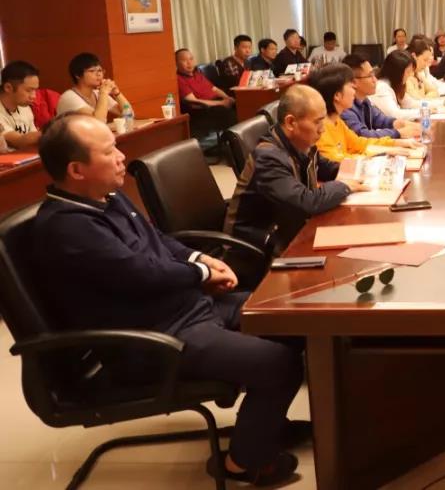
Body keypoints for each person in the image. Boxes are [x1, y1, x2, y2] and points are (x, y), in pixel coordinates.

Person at [34, 114, 305, 486]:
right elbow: (140, 274)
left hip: (183, 309)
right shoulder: (69, 227)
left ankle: (266, 426)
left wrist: (199, 258)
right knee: (278, 364)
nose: (121, 156)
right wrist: (202, 274)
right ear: (77, 170)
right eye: (109, 151)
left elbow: (159, 241)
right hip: (151, 339)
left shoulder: (104, 197)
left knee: (289, 318)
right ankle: (243, 462)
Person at [226, 84, 366, 253]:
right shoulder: (268, 157)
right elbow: (306, 202)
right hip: (256, 248)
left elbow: (327, 168)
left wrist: (365, 170)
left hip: (290, 230)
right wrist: (344, 186)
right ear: (291, 122)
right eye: (317, 122)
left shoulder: (303, 143)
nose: (322, 129)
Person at [309, 64, 411, 162]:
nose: (354, 89)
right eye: (351, 86)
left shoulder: (337, 121)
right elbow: (340, 162)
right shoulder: (321, 129)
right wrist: (384, 152)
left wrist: (394, 143)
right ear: (337, 95)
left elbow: (359, 144)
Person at [340, 54, 420, 139]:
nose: (375, 80)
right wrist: (398, 133)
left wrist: (405, 124)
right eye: (370, 76)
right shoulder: (345, 108)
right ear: (354, 82)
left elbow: (383, 120)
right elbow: (362, 135)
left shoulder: (364, 101)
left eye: (373, 74)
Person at [55, 52, 131, 121]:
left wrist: (117, 93)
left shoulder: (97, 93)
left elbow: (129, 115)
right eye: (92, 71)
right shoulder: (69, 97)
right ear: (77, 75)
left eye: (100, 70)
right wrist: (103, 93)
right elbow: (98, 122)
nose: (99, 74)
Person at [0, 60, 41, 149]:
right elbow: (19, 141)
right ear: (8, 87)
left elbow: (33, 142)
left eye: (35, 90)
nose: (34, 96)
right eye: (29, 90)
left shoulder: (25, 107)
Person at [371, 50, 421, 120]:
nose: (410, 75)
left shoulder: (395, 85)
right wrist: (423, 112)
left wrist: (434, 106)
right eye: (408, 72)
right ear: (397, 72)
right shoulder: (381, 87)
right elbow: (395, 115)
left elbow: (411, 103)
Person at [406, 38, 445, 105]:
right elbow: (418, 102)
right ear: (414, 56)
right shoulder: (406, 77)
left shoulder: (418, 74)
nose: (426, 64)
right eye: (424, 60)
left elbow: (434, 91)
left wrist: (424, 99)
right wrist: (425, 99)